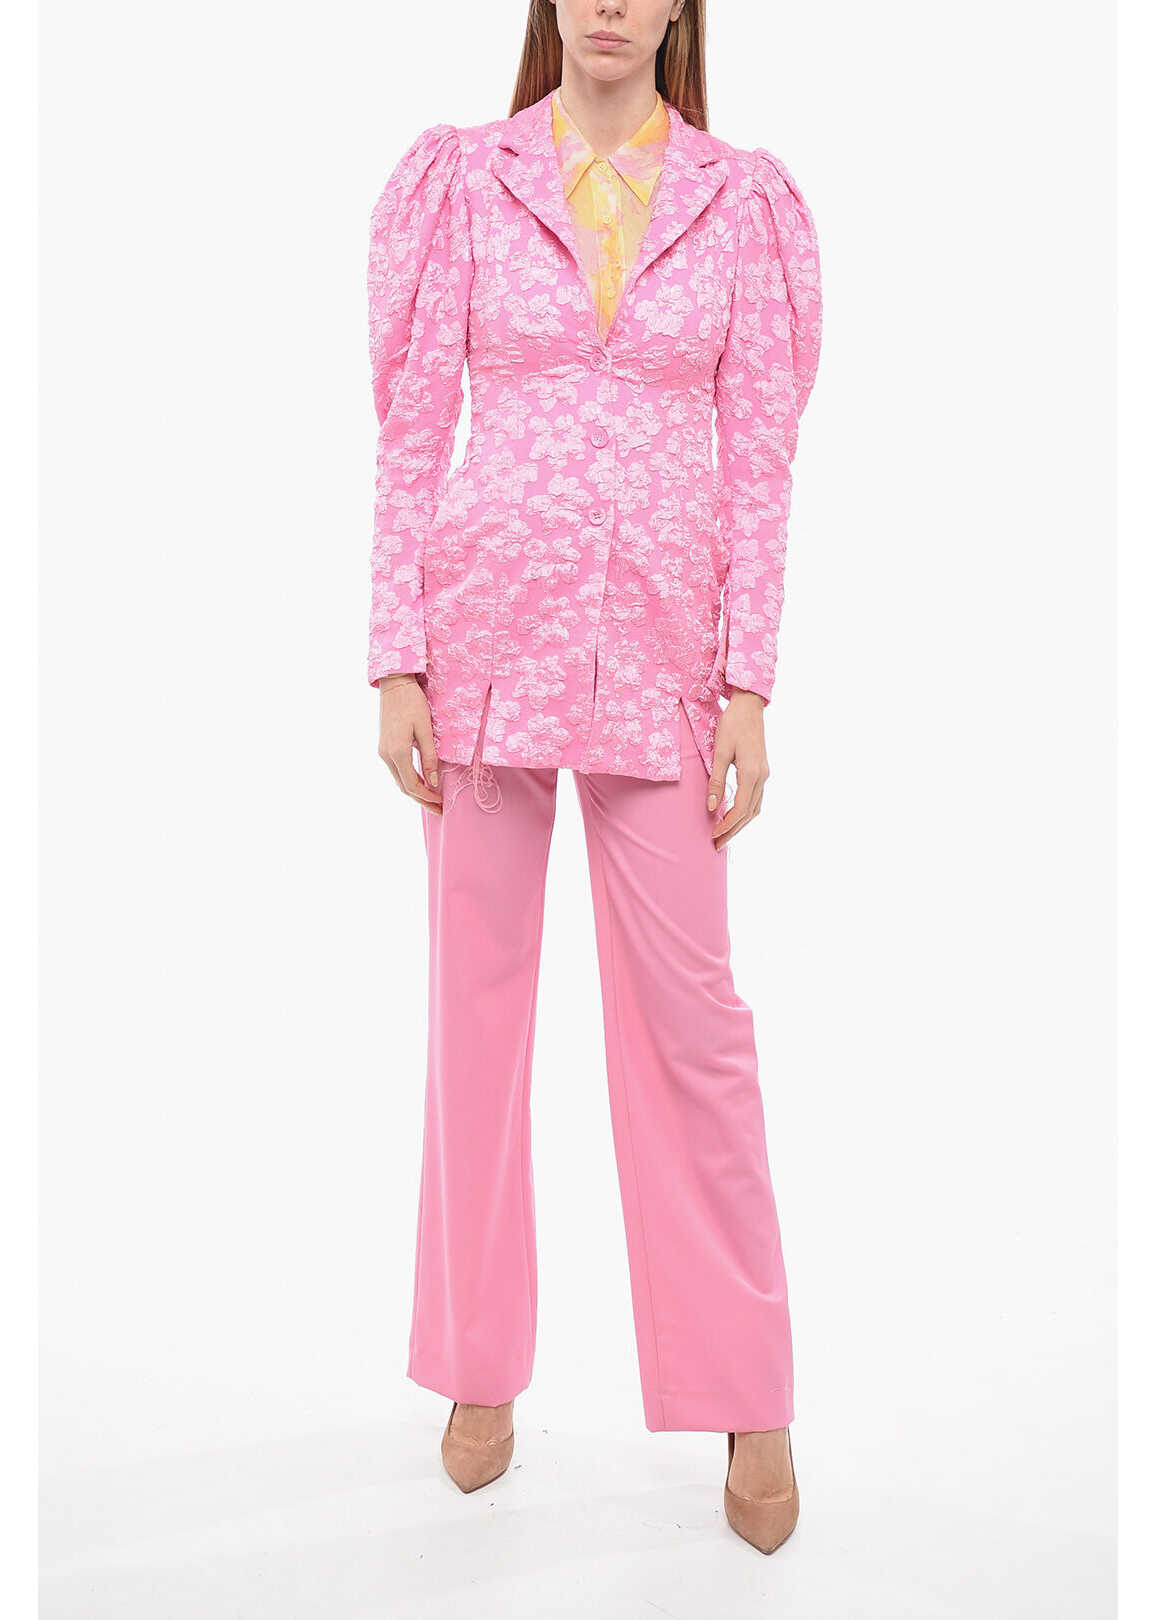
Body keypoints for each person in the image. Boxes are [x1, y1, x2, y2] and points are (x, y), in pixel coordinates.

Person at [367, 0, 821, 1556]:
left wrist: (748, 683)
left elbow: (761, 461)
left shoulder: (742, 201)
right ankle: (476, 1361)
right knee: (475, 1012)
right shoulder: (458, 179)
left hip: (661, 654)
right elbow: (410, 428)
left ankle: (747, 1391)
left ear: (681, 5)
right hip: (482, 636)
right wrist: (396, 654)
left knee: (696, 1029)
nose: (613, 4)